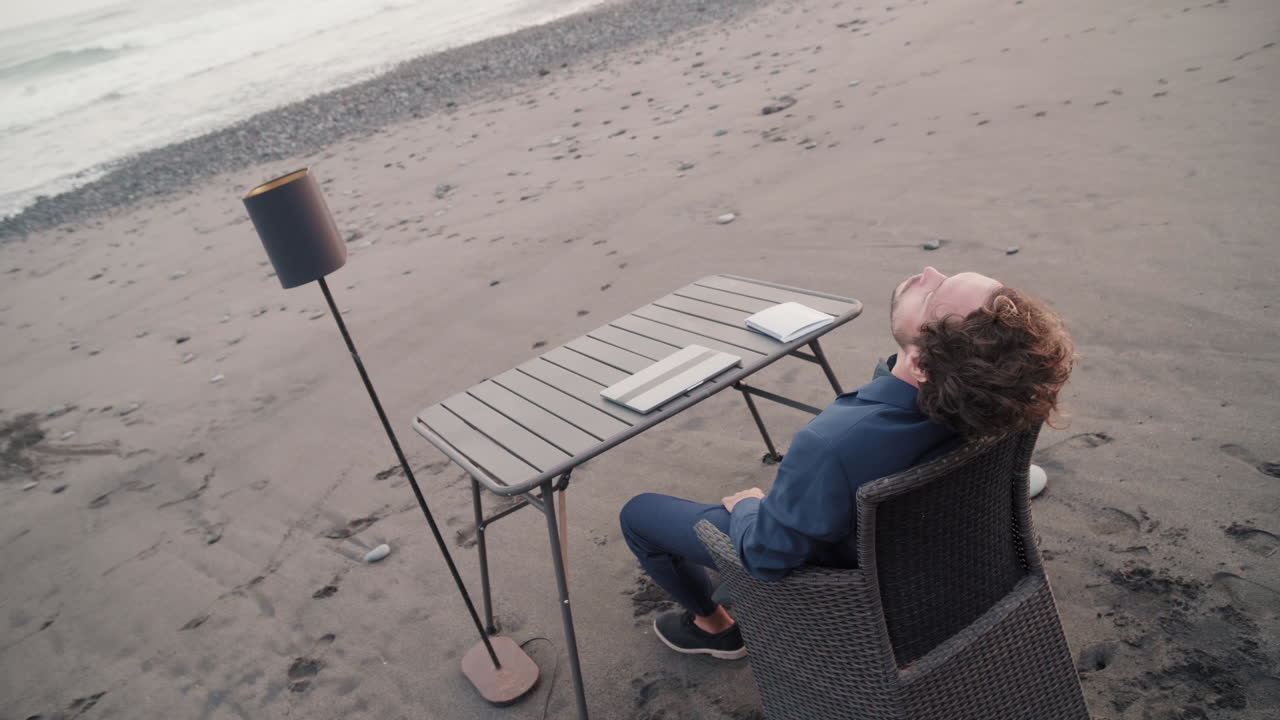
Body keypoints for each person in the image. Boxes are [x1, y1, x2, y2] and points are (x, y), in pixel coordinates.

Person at [619, 267, 1074, 660]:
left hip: (849, 582)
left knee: (639, 514)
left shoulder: (833, 443)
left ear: (922, 367)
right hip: (946, 563)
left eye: (934, 296)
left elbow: (767, 556)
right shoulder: (1002, 397)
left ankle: (715, 628)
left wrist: (748, 508)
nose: (928, 272)